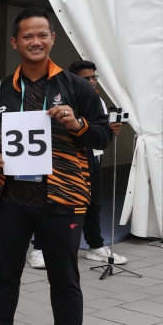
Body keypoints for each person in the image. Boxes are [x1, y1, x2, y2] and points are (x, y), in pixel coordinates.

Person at [0, 7, 111, 325]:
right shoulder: (1, 90)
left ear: (53, 38)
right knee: (5, 276)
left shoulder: (78, 87)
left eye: (42, 35)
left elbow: (103, 135)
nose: (35, 41)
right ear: (14, 42)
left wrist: (78, 123)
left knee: (65, 279)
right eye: (27, 36)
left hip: (61, 199)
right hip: (11, 199)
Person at [27, 60, 125, 269]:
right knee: (49, 203)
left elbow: (100, 130)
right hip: (62, 161)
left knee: (93, 204)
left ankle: (95, 245)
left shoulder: (97, 100)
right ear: (74, 80)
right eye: (86, 78)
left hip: (92, 158)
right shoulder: (59, 96)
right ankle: (40, 248)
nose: (91, 81)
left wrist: (109, 130)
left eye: (93, 77)